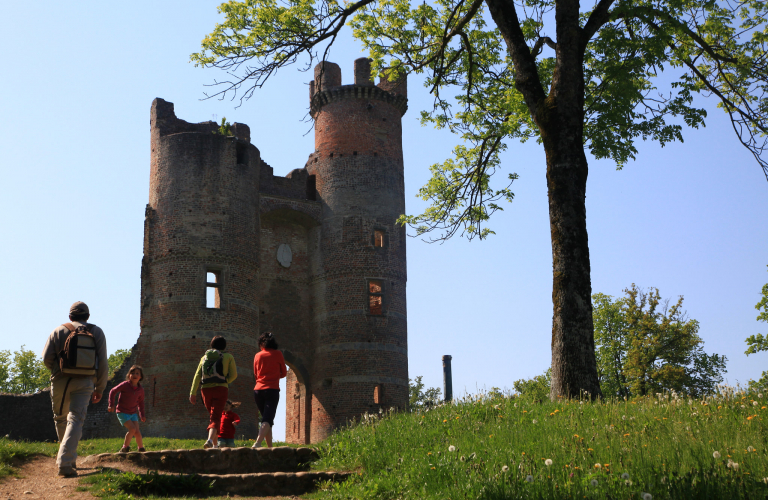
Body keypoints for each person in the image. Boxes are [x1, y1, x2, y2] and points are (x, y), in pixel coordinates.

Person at [42, 301, 108, 477]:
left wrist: (58, 370)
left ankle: (67, 460)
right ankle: (66, 461)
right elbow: (102, 363)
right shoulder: (97, 332)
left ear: (70, 316)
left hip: (61, 380)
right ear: (87, 316)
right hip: (86, 381)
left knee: (61, 418)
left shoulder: (59, 330)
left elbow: (46, 358)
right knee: (76, 420)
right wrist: (100, 387)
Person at [189, 336, 237, 449]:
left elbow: (197, 375)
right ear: (224, 346)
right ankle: (210, 440)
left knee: (214, 416)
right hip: (221, 388)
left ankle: (215, 445)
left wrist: (193, 392)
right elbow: (234, 375)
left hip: (205, 390)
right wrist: (225, 381)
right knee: (215, 417)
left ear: (211, 345)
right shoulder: (228, 357)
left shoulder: (204, 357)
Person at [252, 332, 287, 448]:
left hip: (258, 390)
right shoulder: (278, 354)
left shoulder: (258, 355)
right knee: (267, 419)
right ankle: (258, 442)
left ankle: (270, 447)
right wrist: (275, 376)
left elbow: (256, 374)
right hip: (272, 390)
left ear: (261, 344)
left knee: (266, 420)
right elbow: (284, 373)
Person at [107, 365, 146, 453]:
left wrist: (142, 415)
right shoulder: (125, 385)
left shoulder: (140, 390)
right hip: (122, 412)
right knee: (132, 429)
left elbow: (141, 403)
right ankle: (125, 448)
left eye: (137, 373)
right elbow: (113, 391)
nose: (135, 375)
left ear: (140, 377)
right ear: (129, 375)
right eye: (132, 373)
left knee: (137, 432)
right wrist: (111, 404)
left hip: (133, 413)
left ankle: (141, 449)